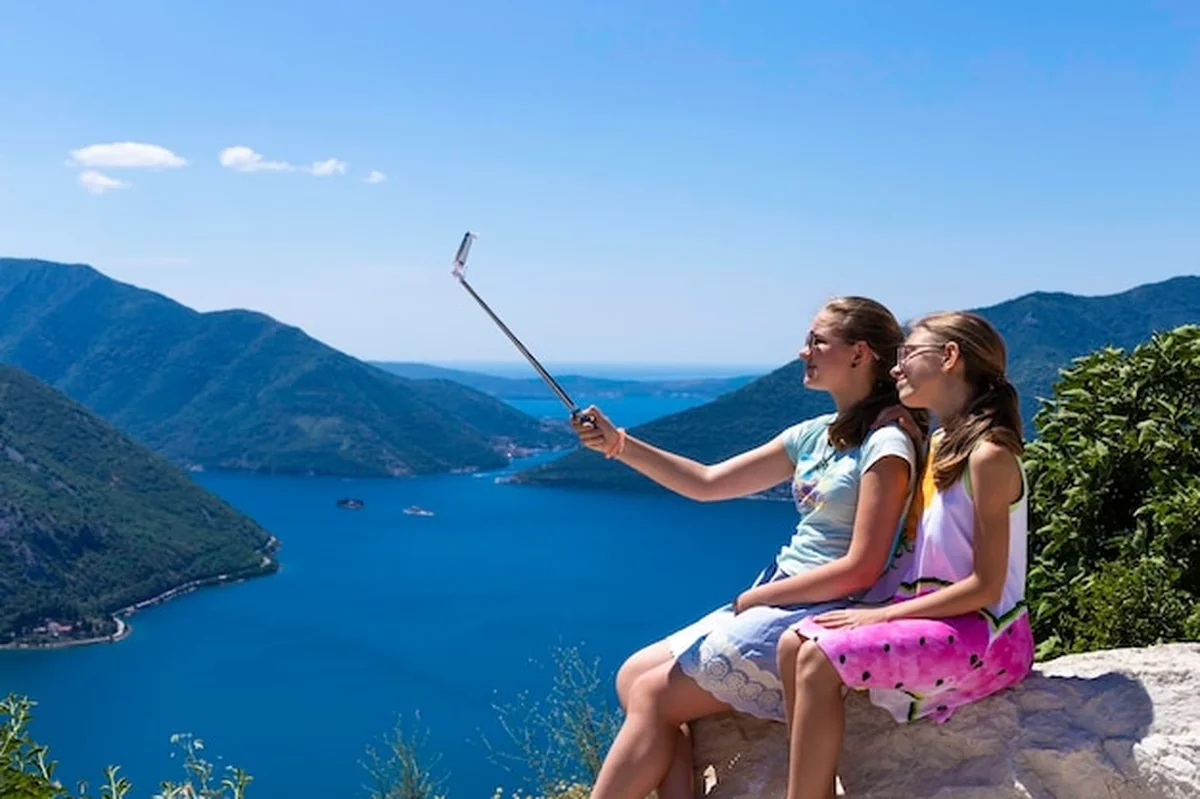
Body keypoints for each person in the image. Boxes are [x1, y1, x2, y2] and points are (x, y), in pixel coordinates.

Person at [570, 296, 928, 799]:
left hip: (822, 611)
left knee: (652, 694)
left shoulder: (886, 443)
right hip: (784, 594)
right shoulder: (815, 436)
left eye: (816, 341)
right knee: (632, 678)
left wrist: (760, 599)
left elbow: (862, 569)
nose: (803, 352)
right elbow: (708, 483)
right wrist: (618, 444)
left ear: (859, 353)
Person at [779, 311, 1034, 799]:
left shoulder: (989, 455)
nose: (896, 369)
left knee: (817, 658)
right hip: (947, 622)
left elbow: (986, 584)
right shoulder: (942, 444)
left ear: (950, 357)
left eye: (907, 356)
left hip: (990, 633)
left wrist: (881, 615)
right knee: (795, 643)